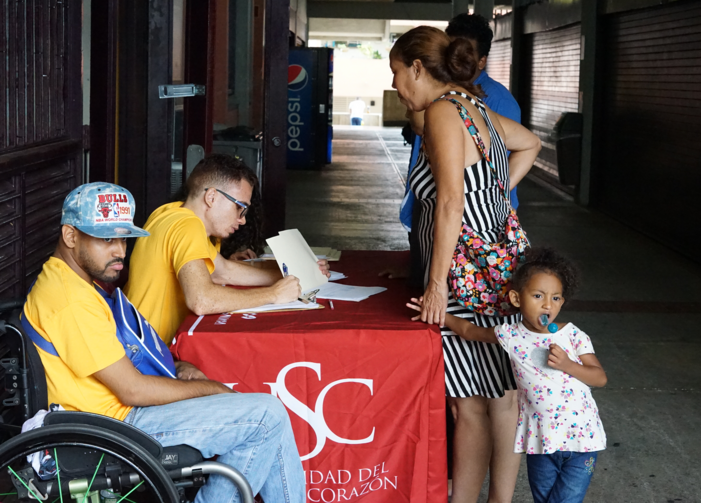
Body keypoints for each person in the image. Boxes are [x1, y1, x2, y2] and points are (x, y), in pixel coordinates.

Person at [23, 182, 305, 503]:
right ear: (71, 236)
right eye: (105, 239)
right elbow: (133, 390)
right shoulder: (71, 300)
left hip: (117, 411)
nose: (119, 251)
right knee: (265, 416)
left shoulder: (73, 281)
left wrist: (179, 367)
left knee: (267, 415)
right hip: (114, 426)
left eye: (123, 239)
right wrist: (212, 389)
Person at [390, 26, 541, 503]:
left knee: (484, 402)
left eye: (396, 73)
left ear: (418, 67)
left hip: (467, 276)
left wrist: (436, 286)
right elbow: (530, 144)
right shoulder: (475, 107)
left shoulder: (441, 111)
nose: (395, 86)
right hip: (499, 265)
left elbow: (452, 202)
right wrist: (497, 201)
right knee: (488, 398)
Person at [408, 247, 607, 503]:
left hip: (582, 441)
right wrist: (438, 314)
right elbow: (470, 331)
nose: (548, 304)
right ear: (516, 298)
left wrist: (569, 365)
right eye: (538, 295)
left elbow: (599, 378)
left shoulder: (571, 334)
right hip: (541, 442)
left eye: (556, 298)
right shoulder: (511, 334)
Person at [125, 154, 329, 345]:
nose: (242, 219)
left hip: (143, 342)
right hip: (150, 354)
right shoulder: (187, 226)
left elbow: (223, 272)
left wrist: (292, 276)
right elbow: (202, 301)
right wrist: (273, 294)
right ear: (211, 197)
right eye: (240, 207)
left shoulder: (169, 212)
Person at [446, 13, 523, 209]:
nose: (456, 59)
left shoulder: (499, 102)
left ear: (481, 61)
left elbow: (501, 164)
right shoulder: (443, 94)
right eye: (452, 50)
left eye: (466, 53)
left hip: (475, 219)